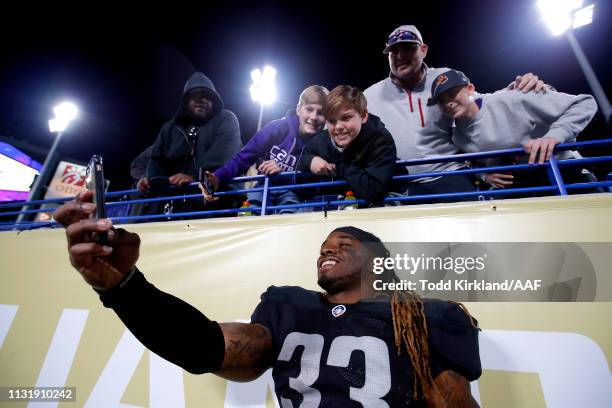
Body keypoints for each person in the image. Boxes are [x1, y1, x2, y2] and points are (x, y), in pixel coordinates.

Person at [54, 191, 481, 407]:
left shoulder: (426, 314)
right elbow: (206, 346)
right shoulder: (290, 305)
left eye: (344, 242)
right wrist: (125, 288)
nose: (327, 249)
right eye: (324, 245)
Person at [364, 25, 548, 203]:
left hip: (450, 174)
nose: (400, 56)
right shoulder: (370, 96)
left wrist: (517, 90)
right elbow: (346, 126)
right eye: (394, 51)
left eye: (408, 48)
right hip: (402, 184)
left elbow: (477, 105)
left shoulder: (444, 77)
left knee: (472, 229)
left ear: (423, 50)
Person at [428, 69, 598, 191]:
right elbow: (474, 161)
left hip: (564, 169)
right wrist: (485, 175)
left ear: (470, 89)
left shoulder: (511, 98)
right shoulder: (458, 136)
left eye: (452, 94)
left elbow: (584, 103)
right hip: (524, 182)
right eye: (441, 101)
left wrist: (554, 135)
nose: (448, 103)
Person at [203, 85, 328, 214]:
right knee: (250, 214)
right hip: (264, 187)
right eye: (309, 109)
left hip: (295, 197)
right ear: (298, 109)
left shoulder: (325, 144)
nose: (314, 117)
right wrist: (217, 176)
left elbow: (314, 186)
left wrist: (284, 173)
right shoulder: (277, 127)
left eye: (320, 113)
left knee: (291, 219)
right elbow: (243, 158)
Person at [139, 72, 242, 216]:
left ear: (214, 100)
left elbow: (225, 157)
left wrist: (195, 177)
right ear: (186, 100)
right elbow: (156, 164)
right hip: (172, 206)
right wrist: (151, 180)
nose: (201, 100)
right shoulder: (169, 128)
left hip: (215, 204)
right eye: (195, 96)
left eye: (207, 96)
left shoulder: (226, 119)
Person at [297, 85, 403, 206]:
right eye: (332, 121)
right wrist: (310, 160)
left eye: (346, 118)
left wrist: (341, 166)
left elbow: (374, 191)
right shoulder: (322, 139)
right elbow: (301, 158)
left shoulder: (381, 139)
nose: (338, 127)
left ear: (363, 116)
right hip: (349, 198)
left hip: (388, 197)